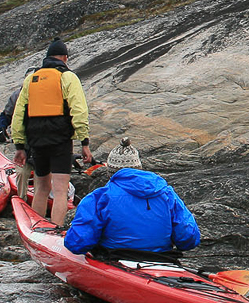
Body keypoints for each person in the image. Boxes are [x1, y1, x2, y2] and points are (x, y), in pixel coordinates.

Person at [11, 39, 93, 226]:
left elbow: (19, 114)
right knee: (60, 189)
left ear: (47, 58)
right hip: (60, 141)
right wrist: (84, 142)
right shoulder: (68, 77)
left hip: (37, 141)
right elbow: (79, 111)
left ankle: (37, 228)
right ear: (65, 58)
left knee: (41, 187)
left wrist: (19, 145)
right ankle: (56, 229)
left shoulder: (30, 79)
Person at [63, 167, 200, 256]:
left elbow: (77, 243)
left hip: (114, 258)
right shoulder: (167, 194)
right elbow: (188, 238)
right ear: (139, 168)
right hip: (162, 258)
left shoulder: (101, 196)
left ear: (111, 172)